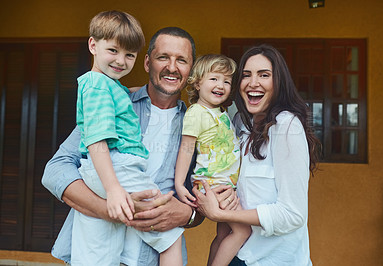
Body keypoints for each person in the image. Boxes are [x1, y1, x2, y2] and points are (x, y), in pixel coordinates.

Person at [42, 26, 237, 265]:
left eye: (182, 60)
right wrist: (109, 209)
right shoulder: (116, 105)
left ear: (191, 70)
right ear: (147, 63)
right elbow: (55, 171)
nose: (172, 67)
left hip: (151, 258)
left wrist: (188, 214)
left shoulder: (200, 128)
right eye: (163, 57)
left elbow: (199, 198)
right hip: (98, 250)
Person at [71, 11, 183, 266]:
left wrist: (128, 92)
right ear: (93, 45)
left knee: (98, 251)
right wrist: (113, 189)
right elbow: (97, 142)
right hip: (118, 167)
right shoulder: (99, 87)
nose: (121, 61)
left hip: (99, 170)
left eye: (129, 55)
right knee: (168, 232)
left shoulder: (105, 86)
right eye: (113, 50)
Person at [193, 44, 320, 266]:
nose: (253, 83)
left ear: (278, 82)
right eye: (246, 75)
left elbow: (293, 215)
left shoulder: (287, 126)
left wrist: (223, 215)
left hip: (273, 260)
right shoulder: (240, 123)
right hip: (238, 255)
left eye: (264, 75)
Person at [174, 54, 251, 266]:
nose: (221, 85)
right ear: (197, 83)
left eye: (226, 81)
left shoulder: (220, 112)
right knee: (243, 230)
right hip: (213, 183)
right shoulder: (197, 112)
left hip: (225, 183)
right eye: (214, 79)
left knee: (225, 233)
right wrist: (180, 183)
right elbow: (187, 148)